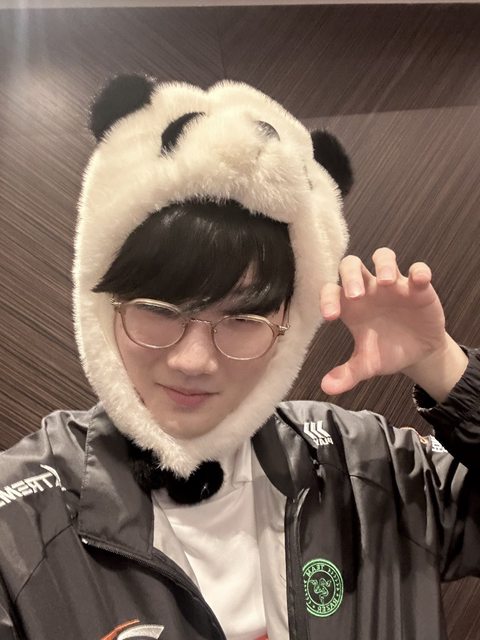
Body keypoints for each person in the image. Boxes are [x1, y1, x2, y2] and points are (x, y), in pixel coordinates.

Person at [0, 74, 478, 640]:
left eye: (244, 320)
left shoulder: (370, 467)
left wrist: (442, 365)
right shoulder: (19, 522)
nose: (194, 360)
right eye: (159, 310)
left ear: (288, 328)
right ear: (104, 308)